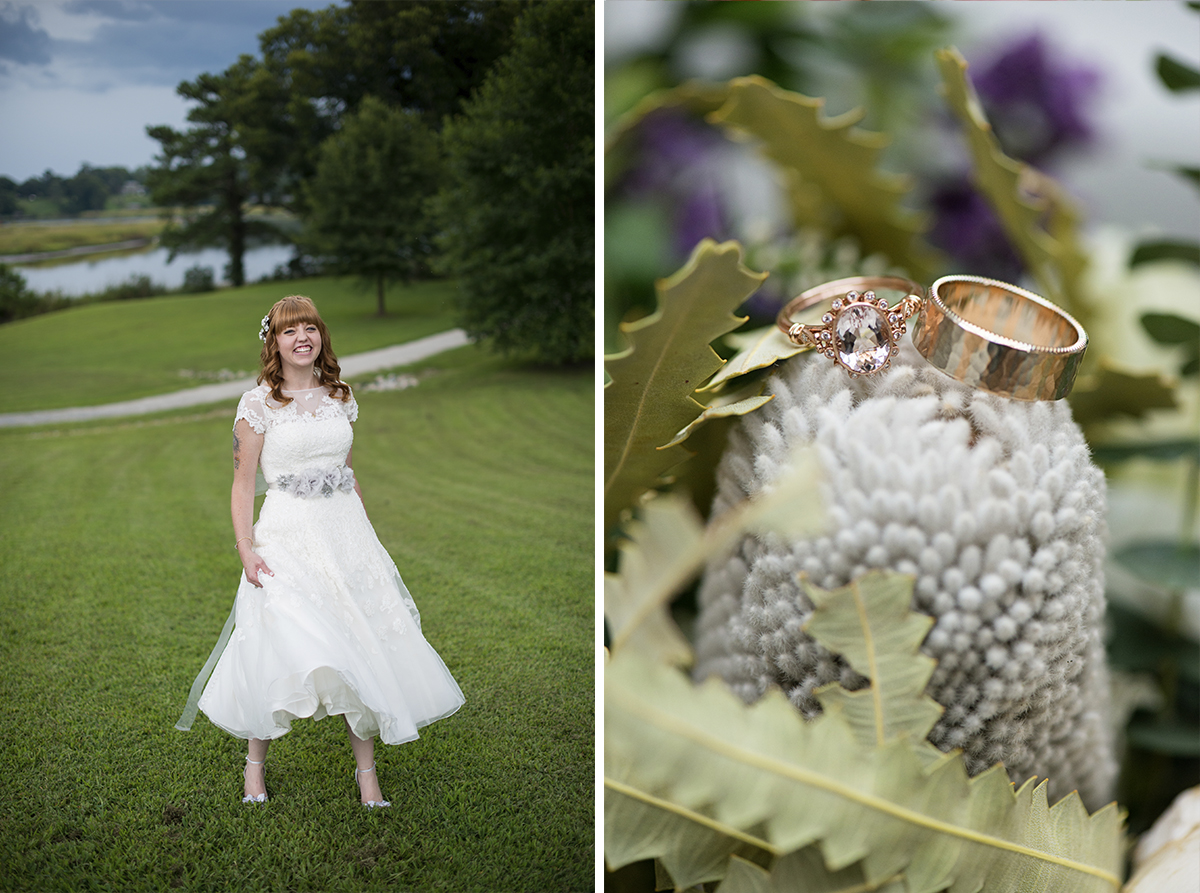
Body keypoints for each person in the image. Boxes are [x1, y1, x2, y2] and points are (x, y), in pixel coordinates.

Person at [176, 295, 465, 806]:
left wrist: (368, 536)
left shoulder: (341, 395)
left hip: (346, 534)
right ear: (274, 341)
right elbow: (243, 486)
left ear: (321, 336)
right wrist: (246, 549)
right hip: (285, 536)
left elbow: (349, 474)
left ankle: (367, 774)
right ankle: (254, 768)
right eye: (289, 331)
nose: (301, 337)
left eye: (309, 328)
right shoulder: (257, 404)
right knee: (273, 646)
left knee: (364, 641)